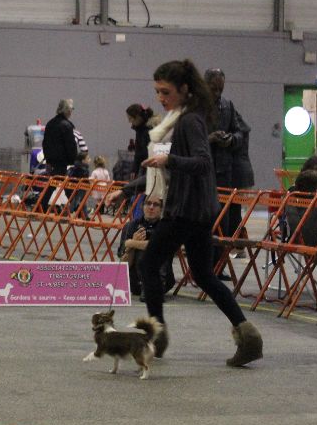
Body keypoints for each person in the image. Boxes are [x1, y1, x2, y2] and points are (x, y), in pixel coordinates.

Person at [108, 59, 263, 367]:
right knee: (204, 275)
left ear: (184, 89)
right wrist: (131, 187)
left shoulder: (190, 121)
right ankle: (249, 338)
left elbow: (202, 162)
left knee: (149, 264)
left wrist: (170, 161)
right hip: (198, 210)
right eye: (157, 92)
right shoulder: (186, 118)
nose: (160, 98)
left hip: (186, 210)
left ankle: (155, 333)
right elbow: (171, 166)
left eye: (165, 92)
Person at [205, 69, 253, 242]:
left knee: (225, 223)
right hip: (203, 172)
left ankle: (219, 264)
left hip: (225, 173)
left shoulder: (227, 105)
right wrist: (208, 139)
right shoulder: (194, 106)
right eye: (213, 89)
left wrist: (231, 139)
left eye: (221, 88)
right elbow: (184, 139)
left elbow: (242, 132)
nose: (218, 93)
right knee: (207, 222)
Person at [117, 195, 176, 297]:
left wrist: (131, 242)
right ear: (142, 206)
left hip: (162, 280)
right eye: (148, 203)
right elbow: (124, 263)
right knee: (137, 251)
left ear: (161, 209)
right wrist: (131, 247)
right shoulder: (130, 226)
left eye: (156, 204)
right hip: (134, 282)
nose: (151, 207)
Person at [126, 103, 158, 177]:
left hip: (153, 168)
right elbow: (138, 152)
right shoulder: (139, 130)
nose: (129, 121)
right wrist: (134, 169)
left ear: (137, 117)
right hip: (146, 167)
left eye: (130, 118)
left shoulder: (150, 130)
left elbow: (146, 153)